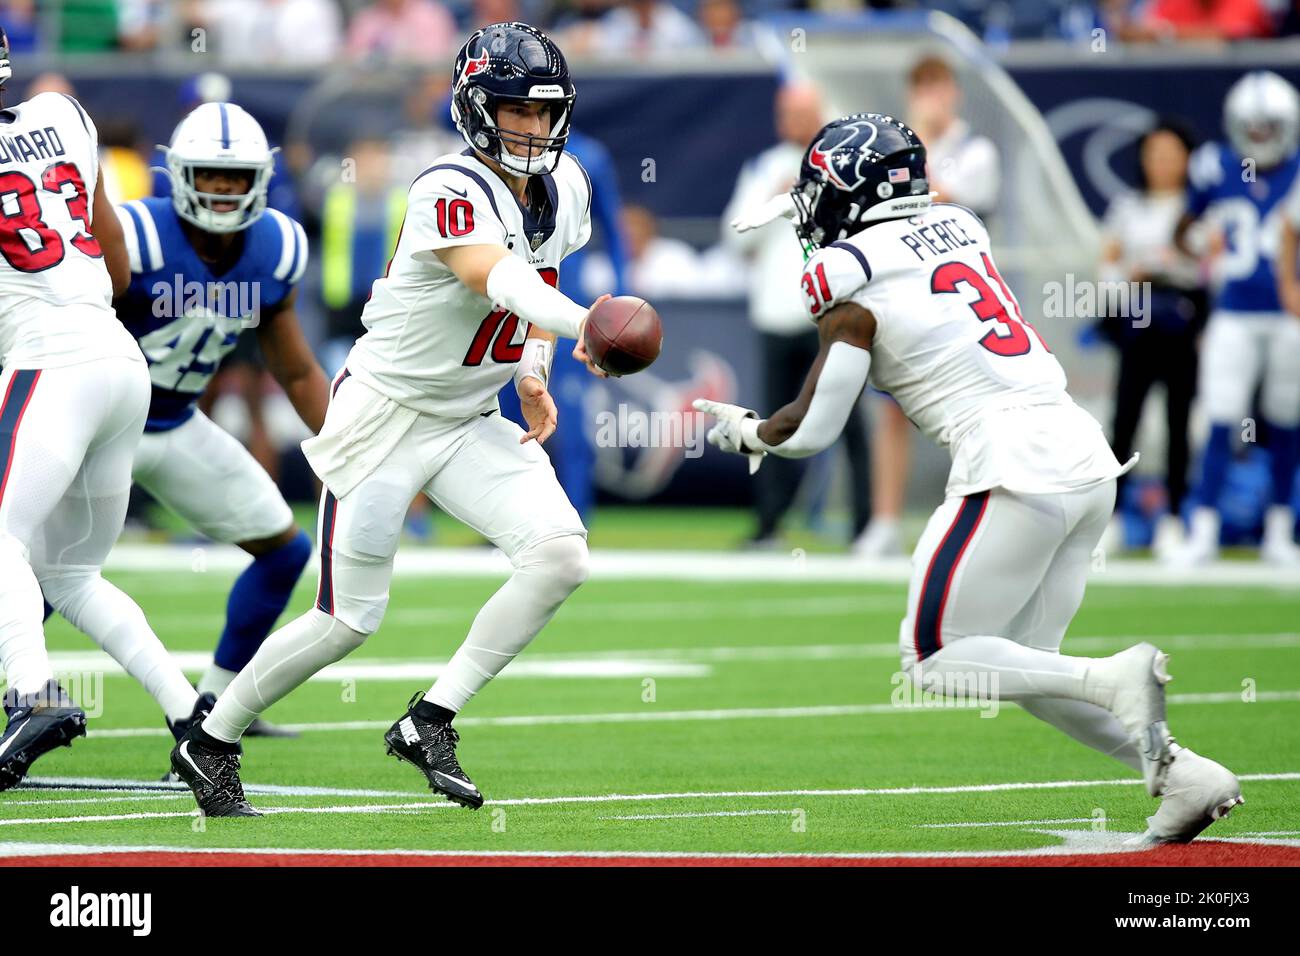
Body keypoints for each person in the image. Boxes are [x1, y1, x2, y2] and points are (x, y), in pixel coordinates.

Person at [697, 113, 1243, 844]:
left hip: (1012, 459)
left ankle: (1115, 678)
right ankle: (1184, 774)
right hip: (1079, 448)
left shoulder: (847, 273)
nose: (814, 212)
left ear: (850, 194)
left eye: (821, 194)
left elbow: (813, 427)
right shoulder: (958, 225)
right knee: (1023, 668)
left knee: (932, 655)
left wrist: (746, 431)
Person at [170, 22, 608, 817]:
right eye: (516, 111)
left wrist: (536, 370)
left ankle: (429, 718)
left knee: (560, 556)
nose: (534, 130)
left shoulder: (565, 185)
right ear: (476, 109)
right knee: (348, 619)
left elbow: (542, 271)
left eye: (545, 114)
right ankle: (211, 739)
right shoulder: (447, 186)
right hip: (388, 416)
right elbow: (500, 276)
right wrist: (591, 325)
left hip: (469, 413)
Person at [0, 27, 204, 789]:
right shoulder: (62, 116)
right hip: (119, 362)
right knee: (71, 572)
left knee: (0, 539)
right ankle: (195, 724)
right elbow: (111, 244)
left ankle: (30, 694)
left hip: (49, 364)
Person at [108, 102, 329, 740]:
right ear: (179, 174)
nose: (224, 188)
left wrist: (349, 446)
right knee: (47, 571)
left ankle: (218, 706)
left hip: (176, 425)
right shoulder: (137, 233)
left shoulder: (278, 247)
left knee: (284, 551)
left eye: (236, 177)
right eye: (210, 174)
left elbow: (294, 370)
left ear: (260, 177)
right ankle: (27, 699)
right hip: (100, 425)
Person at [855, 55, 1002, 559]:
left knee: (968, 410)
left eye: (938, 86)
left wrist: (917, 147)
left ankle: (975, 518)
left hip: (960, 299)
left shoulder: (975, 150)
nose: (932, 97)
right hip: (906, 294)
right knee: (891, 411)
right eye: (923, 87)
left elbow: (947, 202)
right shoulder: (902, 145)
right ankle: (885, 519)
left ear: (954, 92)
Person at [723, 82, 871, 548]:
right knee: (774, 423)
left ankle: (866, 526)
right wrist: (773, 199)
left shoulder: (843, 166)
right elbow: (736, 238)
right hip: (775, 316)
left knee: (849, 422)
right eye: (787, 111)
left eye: (802, 111)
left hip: (829, 315)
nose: (793, 120)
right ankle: (769, 524)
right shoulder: (762, 167)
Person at [1170, 71, 1300, 566]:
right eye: (1254, 127)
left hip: (1289, 316)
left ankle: (1280, 530)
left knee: (1286, 422)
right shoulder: (1216, 165)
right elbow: (1185, 228)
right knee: (1221, 418)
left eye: (1269, 128)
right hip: (1233, 312)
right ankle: (1202, 527)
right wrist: (1198, 241)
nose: (1261, 138)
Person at [1098, 119, 1205, 557]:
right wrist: (1128, 279)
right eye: (1155, 153)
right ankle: (1113, 516)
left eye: (1171, 154)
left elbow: (1211, 264)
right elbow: (1107, 262)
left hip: (1182, 318)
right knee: (1125, 418)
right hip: (1139, 314)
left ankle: (1176, 516)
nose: (1162, 163)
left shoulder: (1199, 206)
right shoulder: (1128, 206)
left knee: (1179, 420)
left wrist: (1178, 265)